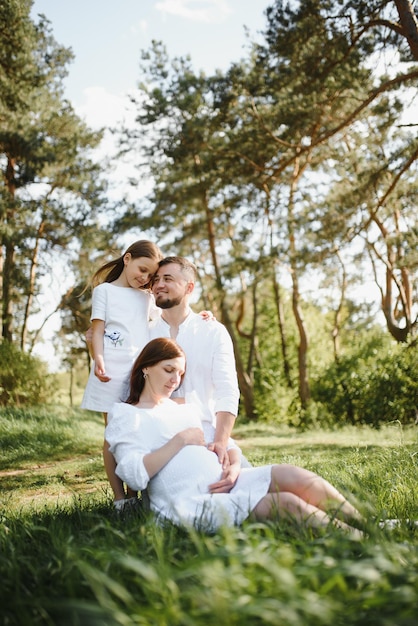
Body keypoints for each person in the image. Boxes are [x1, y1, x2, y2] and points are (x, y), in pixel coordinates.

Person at [105, 338, 363, 537]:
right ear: (146, 368)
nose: (175, 379)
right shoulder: (127, 415)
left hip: (226, 484)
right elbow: (134, 476)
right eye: (169, 369)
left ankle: (369, 523)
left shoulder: (181, 408)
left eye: (180, 374)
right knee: (285, 504)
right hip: (187, 503)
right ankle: (359, 538)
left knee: (293, 475)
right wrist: (180, 440)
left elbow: (225, 441)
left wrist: (235, 465)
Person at [149, 256, 243, 491]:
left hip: (209, 436)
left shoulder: (213, 331)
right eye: (155, 279)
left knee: (259, 484)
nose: (158, 284)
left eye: (167, 279)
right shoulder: (145, 333)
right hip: (160, 440)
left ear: (189, 287)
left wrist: (221, 443)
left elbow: (227, 390)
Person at [81, 239, 163, 508]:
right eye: (142, 270)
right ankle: (121, 499)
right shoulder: (104, 292)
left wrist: (201, 315)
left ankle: (138, 492)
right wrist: (99, 359)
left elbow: (165, 318)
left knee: (138, 431)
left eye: (150, 275)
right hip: (111, 371)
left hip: (139, 372)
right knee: (113, 434)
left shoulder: (147, 297)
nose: (145, 278)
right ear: (127, 259)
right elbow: (98, 330)